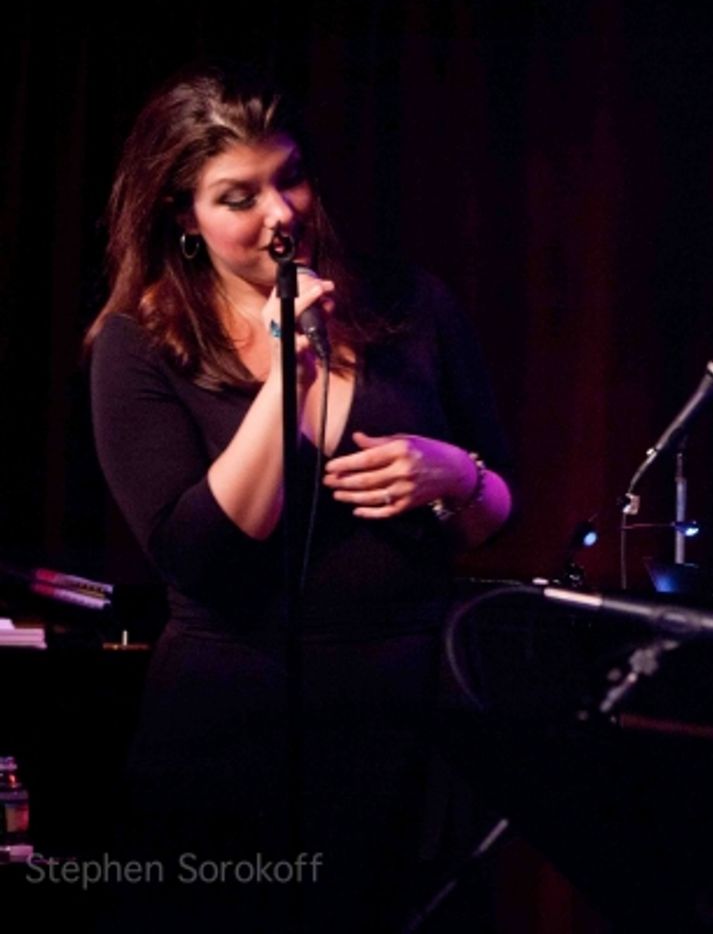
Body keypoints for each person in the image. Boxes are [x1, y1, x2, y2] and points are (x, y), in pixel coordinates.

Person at [86, 63, 512, 931]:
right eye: (239, 197)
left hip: (406, 722)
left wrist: (458, 476)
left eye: (290, 178)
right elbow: (200, 554)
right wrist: (290, 372)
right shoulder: (139, 344)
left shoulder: (411, 304)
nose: (281, 213)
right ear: (184, 216)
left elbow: (499, 507)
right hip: (231, 734)